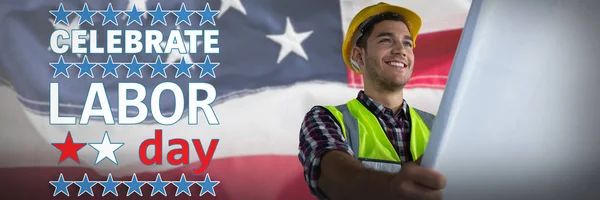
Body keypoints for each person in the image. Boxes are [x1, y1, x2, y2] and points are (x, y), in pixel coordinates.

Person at [298, 2, 447, 200]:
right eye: (386, 40)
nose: (401, 50)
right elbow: (335, 177)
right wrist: (390, 186)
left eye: (407, 43)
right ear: (359, 55)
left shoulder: (442, 127)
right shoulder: (326, 119)